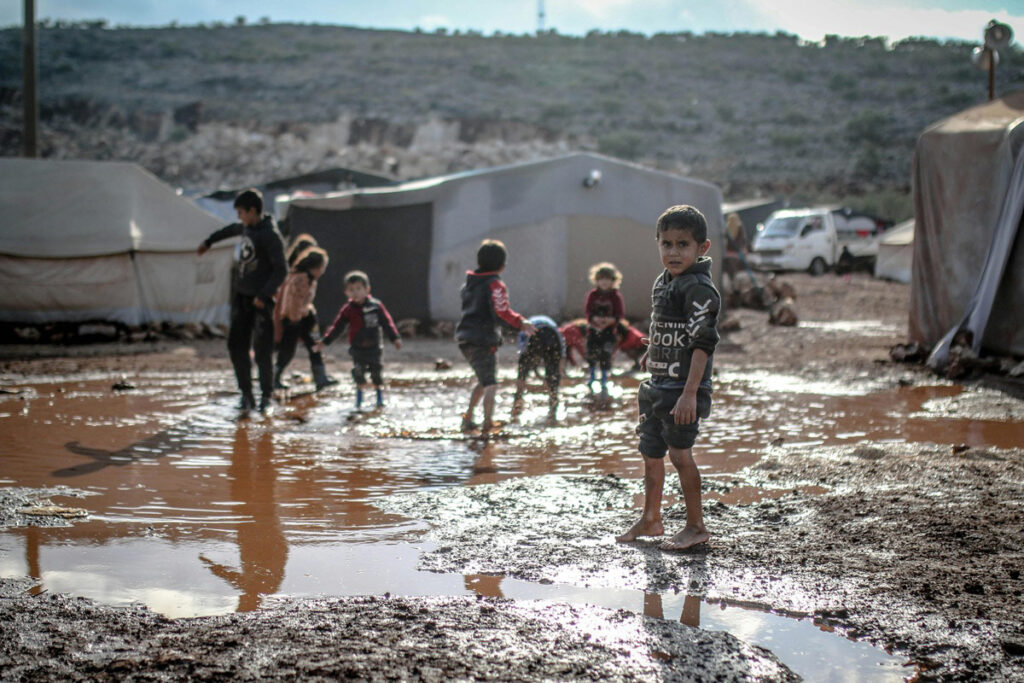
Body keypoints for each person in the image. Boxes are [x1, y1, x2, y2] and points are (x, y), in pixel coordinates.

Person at [617, 204, 720, 551]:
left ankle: (696, 526)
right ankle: (651, 518)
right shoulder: (665, 282)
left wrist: (690, 393)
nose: (673, 252)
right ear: (657, 243)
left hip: (682, 389)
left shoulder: (699, 289)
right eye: (666, 244)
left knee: (680, 455)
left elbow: (702, 343)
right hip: (657, 384)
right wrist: (653, 350)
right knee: (651, 452)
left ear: (701, 248)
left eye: (683, 244)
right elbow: (663, 324)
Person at [197, 188, 287, 413]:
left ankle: (266, 396)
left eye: (241, 212)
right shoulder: (247, 227)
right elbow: (231, 229)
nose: (239, 217)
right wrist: (209, 241)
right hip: (242, 297)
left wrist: (264, 294)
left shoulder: (270, 235)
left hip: (261, 301)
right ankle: (246, 394)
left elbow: (281, 271)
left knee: (262, 349)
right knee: (236, 345)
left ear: (253, 210)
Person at [455, 239, 536, 434]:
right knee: (491, 384)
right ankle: (487, 425)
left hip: (464, 338)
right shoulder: (495, 284)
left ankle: (468, 419)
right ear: (502, 265)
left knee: (484, 380)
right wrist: (521, 322)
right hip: (482, 340)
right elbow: (501, 311)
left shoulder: (469, 285)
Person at [314, 270, 401, 409]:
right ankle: (359, 402)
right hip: (357, 349)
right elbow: (337, 327)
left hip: (374, 348)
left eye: (358, 289)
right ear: (346, 292)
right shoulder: (348, 309)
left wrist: (395, 338)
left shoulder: (375, 306)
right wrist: (325, 341)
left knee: (376, 374)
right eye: (351, 290)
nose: (355, 292)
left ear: (367, 289)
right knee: (358, 374)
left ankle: (379, 399)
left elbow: (387, 322)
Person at [272, 245, 338, 391]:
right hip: (294, 319)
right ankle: (274, 378)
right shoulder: (300, 279)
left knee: (315, 346)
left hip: (305, 317)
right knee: (287, 350)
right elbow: (293, 301)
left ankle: (320, 378)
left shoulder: (308, 279)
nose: (323, 271)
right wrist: (295, 320)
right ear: (315, 267)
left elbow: (304, 301)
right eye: (322, 267)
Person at [511, 315, 565, 421]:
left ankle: (517, 399)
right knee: (552, 373)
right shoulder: (553, 326)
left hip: (533, 335)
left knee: (522, 372)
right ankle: (553, 400)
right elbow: (562, 348)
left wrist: (525, 363)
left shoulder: (526, 325)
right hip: (552, 337)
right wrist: (560, 369)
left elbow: (522, 350)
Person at [584, 262, 625, 394]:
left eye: (607, 279)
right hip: (593, 331)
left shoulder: (615, 296)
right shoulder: (593, 295)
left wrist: (610, 321)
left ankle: (604, 378)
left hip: (609, 332)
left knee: (605, 355)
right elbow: (588, 312)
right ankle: (591, 376)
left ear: (613, 280)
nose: (604, 282)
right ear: (596, 280)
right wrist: (594, 319)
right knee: (591, 353)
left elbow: (620, 314)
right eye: (601, 279)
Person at [723, 212, 749, 280]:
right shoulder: (728, 229)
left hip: (734, 254)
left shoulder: (736, 229)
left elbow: (743, 243)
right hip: (733, 254)